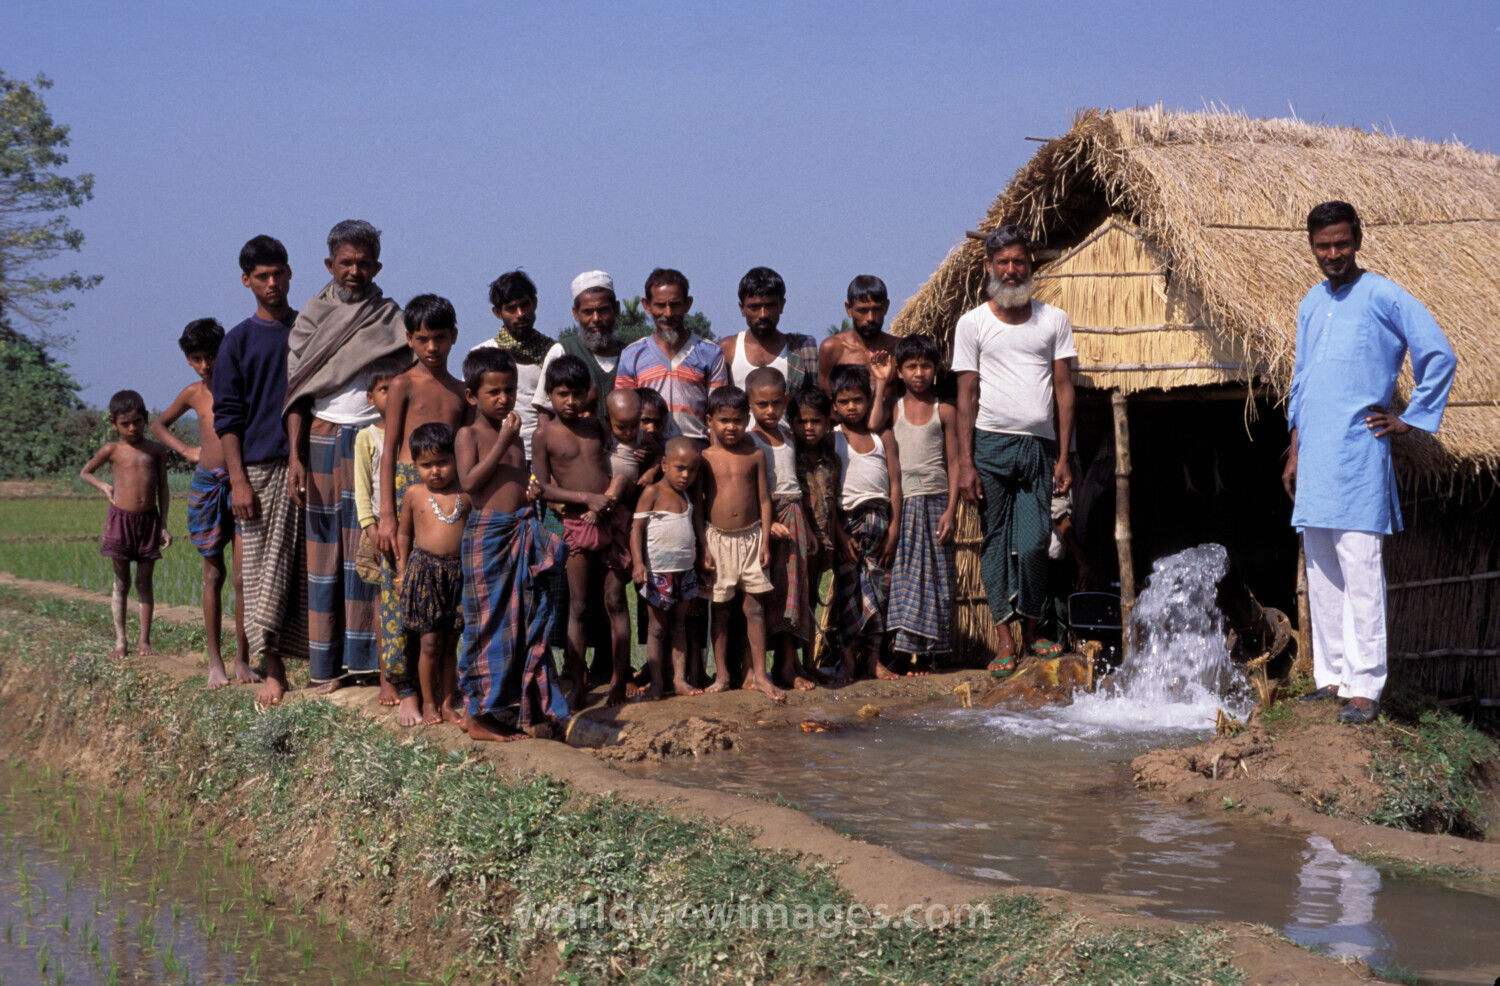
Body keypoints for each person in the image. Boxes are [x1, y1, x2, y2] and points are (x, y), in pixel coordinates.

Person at [1283, 201, 1456, 725]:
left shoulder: (1384, 295)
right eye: (1322, 246)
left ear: (1357, 239)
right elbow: (1301, 380)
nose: (1332, 254)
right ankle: (1333, 678)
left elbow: (1438, 353)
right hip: (1314, 454)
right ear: (1312, 247)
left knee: (1360, 567)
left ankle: (1366, 686)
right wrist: (1294, 450)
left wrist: (1410, 419)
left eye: (1341, 243)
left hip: (1359, 453)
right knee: (1322, 568)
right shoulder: (1311, 303)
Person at [283, 220, 409, 694]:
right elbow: (296, 392)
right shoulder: (312, 316)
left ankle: (371, 665)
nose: (354, 271)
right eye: (345, 263)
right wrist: (295, 456)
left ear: (377, 265)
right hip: (319, 438)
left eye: (363, 263)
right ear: (329, 265)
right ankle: (326, 669)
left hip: (372, 439)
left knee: (369, 549)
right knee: (323, 554)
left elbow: (407, 385)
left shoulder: (391, 318)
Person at [953, 225, 1077, 676]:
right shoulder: (972, 323)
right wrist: (966, 462)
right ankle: (1005, 638)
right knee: (993, 543)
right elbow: (966, 394)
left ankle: (1032, 630)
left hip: (1040, 450)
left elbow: (1064, 391)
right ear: (989, 266)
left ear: (1031, 266)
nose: (1011, 270)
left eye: (1018, 262)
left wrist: (1064, 455)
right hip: (988, 445)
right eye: (1002, 262)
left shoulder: (1053, 320)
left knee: (1031, 546)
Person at [454, 347, 571, 742]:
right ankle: (474, 716)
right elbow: (470, 483)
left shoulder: (515, 437)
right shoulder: (469, 434)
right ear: (472, 396)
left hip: (517, 530)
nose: (504, 399)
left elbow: (514, 483)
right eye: (494, 392)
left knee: (523, 623)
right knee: (487, 624)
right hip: (487, 537)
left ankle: (518, 707)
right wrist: (504, 440)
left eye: (509, 390)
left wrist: (530, 491)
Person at [213, 234, 308, 705]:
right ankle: (273, 669)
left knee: (313, 572)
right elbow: (227, 419)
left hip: (311, 462)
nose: (273, 283)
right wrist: (238, 481)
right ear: (246, 281)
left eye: (279, 273)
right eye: (262, 277)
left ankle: (328, 667)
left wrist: (301, 457)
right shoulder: (238, 341)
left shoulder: (310, 328)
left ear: (290, 273)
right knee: (262, 576)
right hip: (258, 469)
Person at [377, 294, 469, 725]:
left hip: (448, 495)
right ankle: (406, 689)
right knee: (399, 596)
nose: (431, 347)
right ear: (409, 339)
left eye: (440, 338)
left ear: (453, 337)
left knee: (444, 607)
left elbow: (466, 450)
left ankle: (446, 692)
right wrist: (388, 514)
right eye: (422, 339)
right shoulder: (403, 385)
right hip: (404, 491)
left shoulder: (460, 391)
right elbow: (390, 449)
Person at [153, 318, 250, 688]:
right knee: (213, 574)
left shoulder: (241, 387)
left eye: (211, 355)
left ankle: (242, 659)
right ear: (189, 360)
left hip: (241, 485)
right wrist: (187, 451)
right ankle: (215, 662)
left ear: (224, 352)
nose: (206, 365)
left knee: (242, 578)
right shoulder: (194, 393)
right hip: (208, 484)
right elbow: (159, 425)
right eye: (197, 358)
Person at [532, 355, 632, 709]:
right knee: (578, 605)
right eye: (563, 394)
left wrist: (608, 496)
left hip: (611, 519)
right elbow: (543, 486)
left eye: (577, 394)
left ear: (588, 394)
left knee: (616, 602)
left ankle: (620, 681)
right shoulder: (543, 435)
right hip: (576, 523)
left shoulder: (598, 426)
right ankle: (578, 684)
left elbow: (618, 460)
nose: (570, 401)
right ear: (550, 395)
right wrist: (586, 498)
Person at [698, 385, 784, 701]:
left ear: (747, 419)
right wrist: (704, 547)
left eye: (737, 420)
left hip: (751, 537)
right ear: (709, 420)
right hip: (717, 539)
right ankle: (722, 675)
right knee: (720, 610)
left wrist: (763, 542)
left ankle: (761, 674)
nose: (731, 427)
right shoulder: (705, 458)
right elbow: (699, 504)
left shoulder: (756, 455)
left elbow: (764, 499)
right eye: (723, 420)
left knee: (755, 608)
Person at [80, 390, 172, 661]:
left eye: (137, 421)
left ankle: (144, 639)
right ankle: (121, 640)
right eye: (125, 423)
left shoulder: (156, 450)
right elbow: (86, 472)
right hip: (120, 521)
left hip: (148, 521)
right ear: (113, 423)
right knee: (121, 582)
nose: (132, 428)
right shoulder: (111, 450)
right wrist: (104, 486)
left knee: (145, 582)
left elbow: (164, 488)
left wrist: (164, 524)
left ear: (145, 419)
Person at [885, 334, 959, 671]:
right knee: (905, 575)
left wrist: (951, 510)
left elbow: (954, 463)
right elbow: (872, 426)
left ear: (936, 369)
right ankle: (902, 652)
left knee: (936, 576)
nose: (919, 373)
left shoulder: (945, 410)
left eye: (926, 366)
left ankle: (929, 653)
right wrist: (878, 382)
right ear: (899, 371)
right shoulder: (892, 409)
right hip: (902, 502)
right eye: (911, 366)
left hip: (935, 500)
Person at [746, 367, 817, 691]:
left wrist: (808, 528)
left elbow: (796, 483)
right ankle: (751, 669)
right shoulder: (749, 439)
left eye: (776, 403)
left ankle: (788, 665)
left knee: (793, 593)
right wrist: (766, 523)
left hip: (794, 517)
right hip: (764, 519)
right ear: (750, 404)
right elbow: (748, 487)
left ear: (786, 400)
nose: (770, 411)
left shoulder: (789, 434)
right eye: (762, 404)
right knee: (760, 594)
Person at [830, 365, 902, 681]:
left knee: (878, 591)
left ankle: (873, 659)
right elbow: (827, 492)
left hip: (880, 523)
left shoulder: (882, 436)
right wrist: (837, 533)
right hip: (847, 525)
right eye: (844, 401)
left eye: (858, 400)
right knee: (848, 593)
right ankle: (846, 659)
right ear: (834, 405)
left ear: (869, 399)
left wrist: (895, 529)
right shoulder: (831, 439)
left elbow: (896, 485)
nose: (851, 407)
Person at [396, 423, 470, 727]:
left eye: (442, 462)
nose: (435, 471)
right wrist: (402, 574)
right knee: (429, 643)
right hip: (425, 572)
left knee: (451, 643)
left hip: (458, 573)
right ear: (415, 466)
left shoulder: (465, 494)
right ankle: (428, 703)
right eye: (426, 465)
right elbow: (403, 535)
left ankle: (447, 703)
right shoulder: (414, 494)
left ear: (455, 459)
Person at [351, 356, 410, 707]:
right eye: (383, 389)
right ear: (371, 398)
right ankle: (387, 677)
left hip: (412, 529)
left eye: (395, 388)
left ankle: (414, 676)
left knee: (412, 603)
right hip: (379, 529)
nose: (391, 395)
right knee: (383, 604)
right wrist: (370, 528)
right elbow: (361, 488)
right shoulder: (367, 437)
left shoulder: (411, 434)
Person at [613, 268, 728, 445]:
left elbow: (719, 413)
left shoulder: (710, 353)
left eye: (675, 305)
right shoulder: (632, 354)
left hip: (696, 449)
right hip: (646, 449)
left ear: (687, 304)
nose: (668, 313)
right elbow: (622, 412)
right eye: (660, 305)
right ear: (647, 305)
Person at [631, 436, 705, 701]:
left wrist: (702, 556)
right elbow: (636, 529)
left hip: (685, 571)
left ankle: (679, 680)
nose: (686, 475)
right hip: (658, 573)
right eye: (680, 468)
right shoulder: (652, 492)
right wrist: (638, 563)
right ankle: (657, 683)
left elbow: (693, 530)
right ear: (664, 464)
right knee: (657, 629)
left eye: (692, 470)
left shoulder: (687, 496)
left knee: (679, 627)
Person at [791, 387, 852, 665]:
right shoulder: (789, 457)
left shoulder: (833, 460)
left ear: (828, 423)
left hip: (823, 541)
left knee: (812, 602)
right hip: (795, 541)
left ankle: (807, 663)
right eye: (802, 422)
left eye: (815, 421)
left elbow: (834, 506)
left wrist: (834, 540)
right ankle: (788, 664)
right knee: (794, 603)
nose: (809, 428)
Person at [471, 270, 553, 463]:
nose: (521, 314)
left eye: (525, 305)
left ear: (535, 303)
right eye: (511, 308)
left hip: (541, 457)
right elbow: (473, 414)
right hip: (495, 456)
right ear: (497, 312)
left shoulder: (553, 352)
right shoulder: (483, 354)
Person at [536, 271, 625, 420]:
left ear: (616, 309)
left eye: (603, 310)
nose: (595, 319)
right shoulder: (563, 350)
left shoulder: (631, 355)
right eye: (587, 312)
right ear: (576, 314)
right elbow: (545, 412)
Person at [721, 267, 820, 395]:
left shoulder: (800, 349)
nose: (763, 314)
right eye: (754, 307)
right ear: (742, 308)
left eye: (770, 305)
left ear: (782, 305)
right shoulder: (728, 349)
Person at [819, 276, 899, 400]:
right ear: (849, 309)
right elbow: (825, 400)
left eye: (876, 309)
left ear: (886, 307)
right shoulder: (833, 348)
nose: (870, 318)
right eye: (863, 311)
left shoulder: (898, 350)